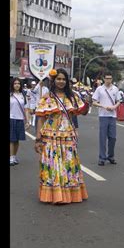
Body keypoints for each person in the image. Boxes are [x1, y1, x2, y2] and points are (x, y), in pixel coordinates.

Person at [34, 68, 89, 204]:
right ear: (53, 80)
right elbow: (40, 119)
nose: (61, 81)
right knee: (52, 165)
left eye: (63, 79)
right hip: (50, 136)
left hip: (68, 136)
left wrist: (88, 103)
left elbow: (83, 112)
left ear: (67, 81)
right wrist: (38, 139)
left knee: (68, 164)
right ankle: (54, 195)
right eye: (58, 79)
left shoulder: (73, 97)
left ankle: (69, 194)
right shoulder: (47, 98)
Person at [92, 72, 121, 166]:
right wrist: (103, 106)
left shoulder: (115, 89)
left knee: (113, 138)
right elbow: (94, 102)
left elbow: (119, 101)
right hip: (103, 115)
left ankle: (111, 156)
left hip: (112, 115)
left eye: (110, 78)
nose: (109, 80)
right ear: (104, 79)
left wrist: (114, 107)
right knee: (102, 137)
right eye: (107, 78)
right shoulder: (99, 89)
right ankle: (102, 158)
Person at [10, 78, 30, 166]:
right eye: (15, 83)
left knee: (17, 140)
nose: (17, 85)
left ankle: (14, 156)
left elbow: (26, 109)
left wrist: (27, 121)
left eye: (18, 83)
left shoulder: (23, 95)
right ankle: (11, 158)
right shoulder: (10, 95)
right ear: (12, 85)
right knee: (11, 139)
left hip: (20, 119)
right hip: (11, 119)